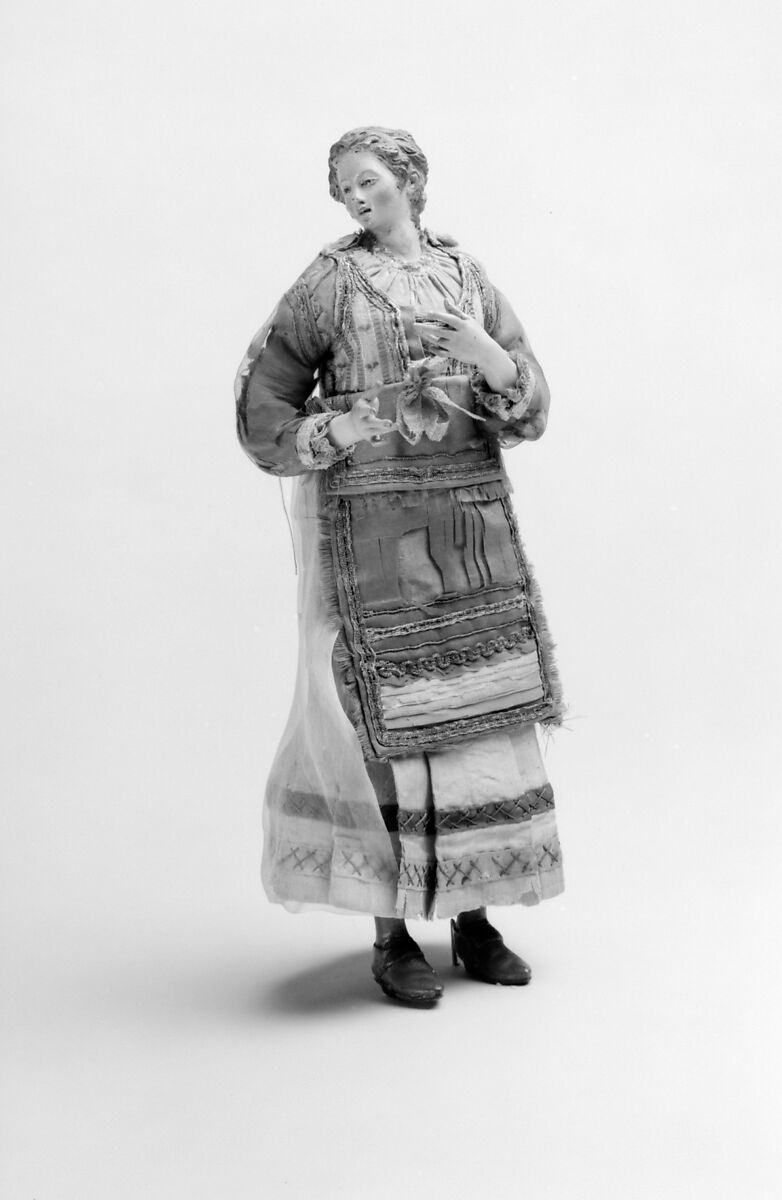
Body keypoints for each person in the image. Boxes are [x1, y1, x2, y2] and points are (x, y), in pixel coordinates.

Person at [235, 126, 564, 1005]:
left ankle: (475, 916)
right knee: (379, 718)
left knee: (479, 710)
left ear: (411, 181)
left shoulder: (465, 275)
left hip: (467, 527)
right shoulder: (328, 284)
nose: (353, 197)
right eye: (342, 186)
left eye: (368, 180)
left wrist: (491, 360)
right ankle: (392, 935)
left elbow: (527, 397)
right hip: (369, 533)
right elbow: (263, 400)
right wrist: (328, 431)